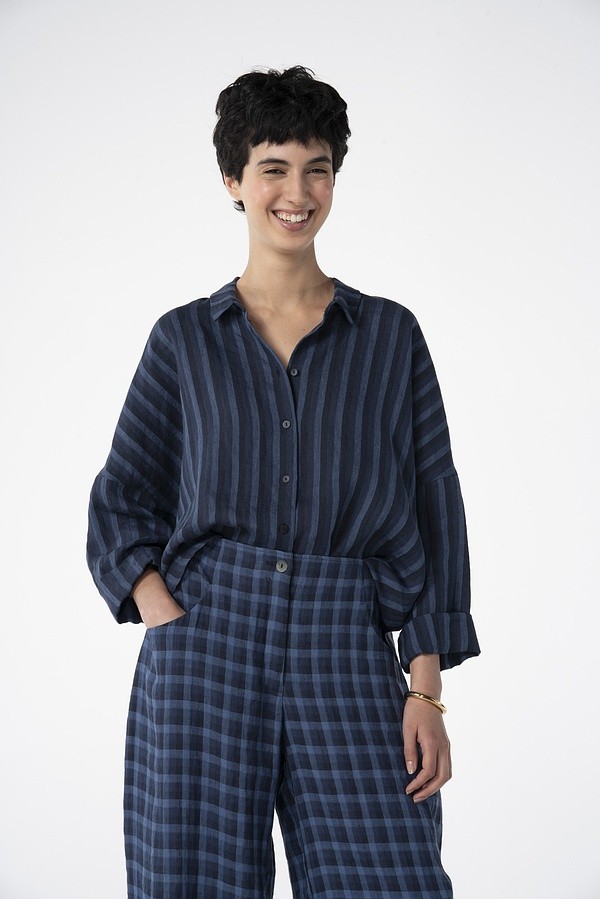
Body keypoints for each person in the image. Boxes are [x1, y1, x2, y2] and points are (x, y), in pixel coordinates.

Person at [86, 65, 481, 899]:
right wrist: (170, 621)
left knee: (391, 879)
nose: (297, 193)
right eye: (273, 168)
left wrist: (426, 690)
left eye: (317, 168)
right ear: (233, 180)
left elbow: (434, 508)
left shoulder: (390, 338)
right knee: (189, 884)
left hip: (346, 639)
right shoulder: (184, 342)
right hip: (208, 639)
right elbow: (122, 498)